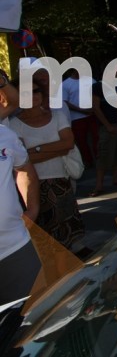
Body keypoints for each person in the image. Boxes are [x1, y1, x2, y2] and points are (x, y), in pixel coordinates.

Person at [9, 84, 87, 255]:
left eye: (37, 90)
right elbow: (22, 160)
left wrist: (35, 150)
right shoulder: (14, 124)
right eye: (28, 92)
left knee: (66, 241)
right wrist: (56, 149)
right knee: (44, 243)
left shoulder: (58, 115)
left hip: (61, 183)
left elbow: (68, 144)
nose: (34, 95)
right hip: (33, 188)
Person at [0, 122, 40, 305]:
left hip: (15, 249)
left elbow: (24, 168)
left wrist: (32, 209)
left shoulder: (5, 134)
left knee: (31, 322)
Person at [90, 73, 117, 196]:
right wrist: (107, 125)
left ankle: (116, 178)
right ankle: (99, 185)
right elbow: (96, 107)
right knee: (104, 154)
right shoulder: (97, 87)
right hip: (107, 125)